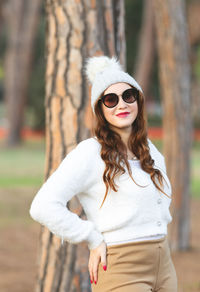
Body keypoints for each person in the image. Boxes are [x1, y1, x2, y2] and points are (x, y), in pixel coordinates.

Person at [29, 56, 177, 292]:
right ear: (100, 109)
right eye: (111, 99)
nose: (121, 104)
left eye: (128, 96)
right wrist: (92, 238)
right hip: (121, 268)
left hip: (164, 266)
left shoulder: (151, 152)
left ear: (138, 100)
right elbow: (42, 206)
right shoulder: (90, 152)